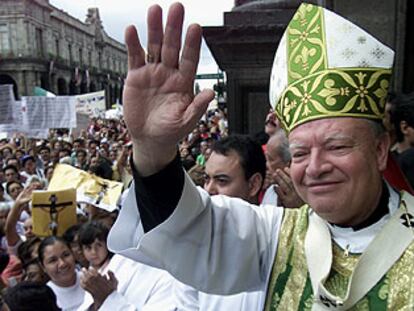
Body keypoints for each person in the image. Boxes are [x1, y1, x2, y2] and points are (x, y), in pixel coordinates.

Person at [108, 2, 413, 310]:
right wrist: (152, 148)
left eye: (337, 147)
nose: (316, 168)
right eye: (300, 153)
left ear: (379, 150)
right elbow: (192, 233)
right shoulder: (276, 235)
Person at [175, 134, 266, 310]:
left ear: (253, 184)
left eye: (222, 181)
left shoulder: (278, 240)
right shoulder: (194, 245)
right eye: (206, 179)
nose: (209, 190)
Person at [38, 236, 87, 311]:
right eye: (53, 260)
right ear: (43, 267)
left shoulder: (91, 279)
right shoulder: (44, 298)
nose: (62, 264)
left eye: (66, 255)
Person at [262, 129, 303, 208]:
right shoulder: (270, 191)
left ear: (289, 163)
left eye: (270, 159)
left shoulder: (306, 194)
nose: (266, 165)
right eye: (265, 159)